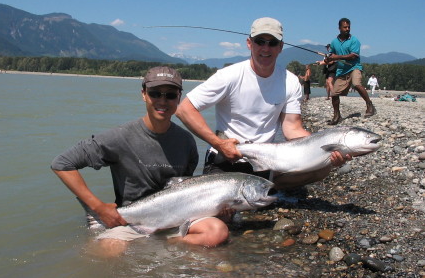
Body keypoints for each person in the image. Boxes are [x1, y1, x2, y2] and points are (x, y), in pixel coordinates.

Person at [51, 66, 229, 257]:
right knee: (108, 251)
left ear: (178, 98)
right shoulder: (118, 137)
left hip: (178, 216)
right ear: (144, 94)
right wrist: (98, 208)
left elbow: (186, 188)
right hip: (131, 221)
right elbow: (62, 163)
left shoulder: (187, 141)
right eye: (155, 93)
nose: (162, 101)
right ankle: (153, 251)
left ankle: (166, 246)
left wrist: (217, 208)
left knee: (217, 233)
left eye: (170, 95)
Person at [176, 17, 349, 179]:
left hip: (266, 161)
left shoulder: (290, 81)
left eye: (272, 43)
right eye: (260, 42)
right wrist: (219, 144)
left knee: (323, 168)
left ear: (280, 47)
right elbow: (185, 109)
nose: (266, 49)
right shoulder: (228, 76)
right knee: (224, 210)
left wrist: (326, 150)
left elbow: (292, 129)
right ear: (249, 43)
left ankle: (263, 190)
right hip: (225, 158)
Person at [325, 18, 376, 125]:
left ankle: (369, 105)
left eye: (348, 27)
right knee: (334, 93)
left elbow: (353, 56)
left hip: (354, 67)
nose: (347, 29)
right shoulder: (334, 42)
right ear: (339, 28)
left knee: (356, 84)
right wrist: (328, 58)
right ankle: (337, 116)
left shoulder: (354, 40)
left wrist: (337, 57)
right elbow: (331, 54)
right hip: (342, 70)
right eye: (345, 27)